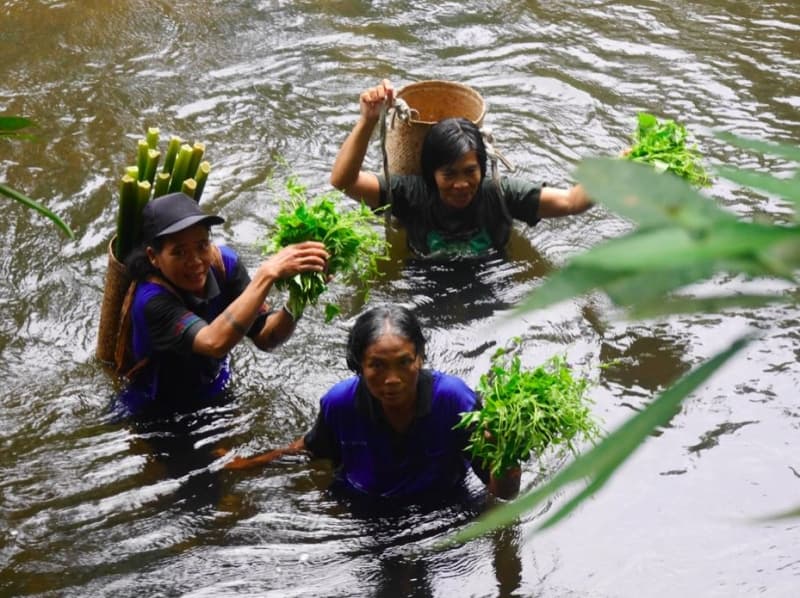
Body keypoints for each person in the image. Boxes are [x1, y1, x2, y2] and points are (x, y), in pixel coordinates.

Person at [222, 304, 521, 500]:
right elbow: (311, 450)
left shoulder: (453, 400)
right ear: (358, 365)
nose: (392, 379)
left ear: (420, 358)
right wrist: (246, 465)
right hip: (366, 510)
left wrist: (508, 458)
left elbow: (503, 494)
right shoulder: (340, 404)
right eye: (377, 365)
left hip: (445, 506)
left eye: (404, 362)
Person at [115, 191, 329, 417]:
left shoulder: (225, 265)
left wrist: (298, 299)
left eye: (202, 245)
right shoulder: (151, 300)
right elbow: (213, 342)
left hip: (214, 388)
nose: (195, 261)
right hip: (159, 413)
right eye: (179, 252)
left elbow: (266, 337)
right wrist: (266, 275)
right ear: (153, 257)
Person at [330, 78, 593, 256]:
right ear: (431, 173)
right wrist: (367, 121)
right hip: (425, 286)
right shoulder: (410, 194)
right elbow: (344, 181)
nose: (461, 185)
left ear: (482, 166)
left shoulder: (500, 194)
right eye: (449, 174)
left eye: (470, 171)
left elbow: (572, 202)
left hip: (493, 281)